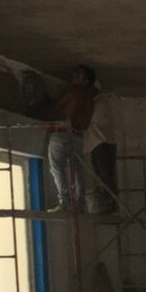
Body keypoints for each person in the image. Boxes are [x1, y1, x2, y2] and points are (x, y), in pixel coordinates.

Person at [44, 65, 96, 212]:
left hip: (61, 133)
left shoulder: (73, 92)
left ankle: (64, 202)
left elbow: (57, 108)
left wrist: (47, 112)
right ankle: (80, 204)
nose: (73, 77)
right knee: (77, 170)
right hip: (78, 136)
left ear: (86, 81)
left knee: (56, 167)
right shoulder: (91, 99)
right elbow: (85, 123)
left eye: (78, 75)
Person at [83, 78, 118, 214]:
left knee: (103, 173)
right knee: (104, 174)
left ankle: (110, 202)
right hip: (104, 142)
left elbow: (87, 120)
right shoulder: (104, 102)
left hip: (100, 143)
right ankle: (110, 202)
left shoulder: (99, 103)